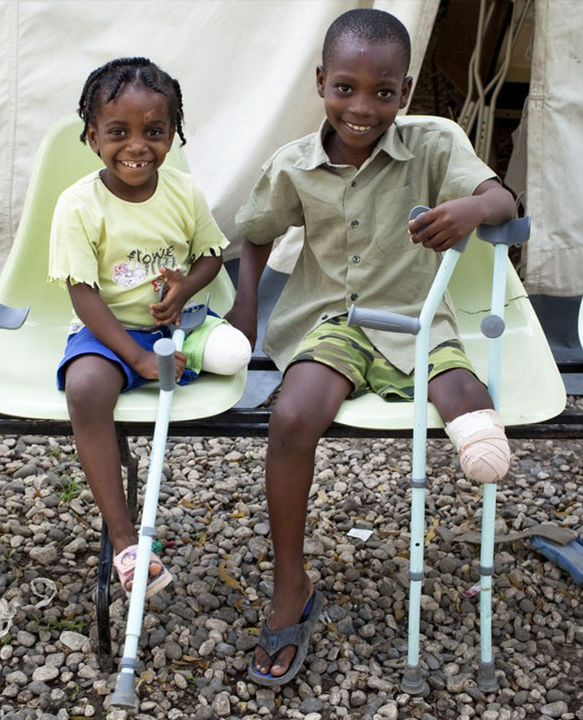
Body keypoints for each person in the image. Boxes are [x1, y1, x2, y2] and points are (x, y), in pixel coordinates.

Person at [225, 9, 517, 686]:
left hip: (417, 320)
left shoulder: (434, 148)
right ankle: (289, 585)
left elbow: (500, 198)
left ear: (405, 93)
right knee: (292, 416)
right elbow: (255, 233)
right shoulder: (293, 164)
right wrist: (244, 306)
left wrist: (474, 209)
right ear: (321, 82)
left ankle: (480, 466)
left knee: (467, 398)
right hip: (332, 322)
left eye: (383, 92)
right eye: (346, 88)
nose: (362, 107)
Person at [51, 57, 251, 602]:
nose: (137, 147)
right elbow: (83, 293)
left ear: (173, 136)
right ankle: (125, 543)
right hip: (108, 332)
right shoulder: (77, 205)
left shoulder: (184, 193)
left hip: (178, 325)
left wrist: (184, 290)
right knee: (87, 388)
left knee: (235, 354)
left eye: (154, 132)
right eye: (118, 132)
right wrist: (137, 358)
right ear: (93, 137)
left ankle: (176, 360)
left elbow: (211, 258)